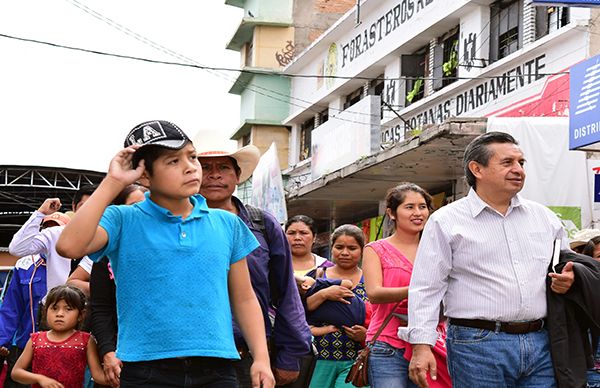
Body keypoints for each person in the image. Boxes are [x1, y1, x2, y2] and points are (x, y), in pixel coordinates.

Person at [56, 120, 274, 387]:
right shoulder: (122, 220)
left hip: (217, 368)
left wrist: (261, 358)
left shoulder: (227, 224)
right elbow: (69, 247)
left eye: (191, 156)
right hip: (145, 370)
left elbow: (244, 298)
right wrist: (113, 182)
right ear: (145, 176)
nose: (190, 167)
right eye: (173, 161)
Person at [406, 131, 575, 388]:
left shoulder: (544, 217)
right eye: (507, 163)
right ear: (477, 169)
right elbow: (427, 287)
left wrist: (568, 279)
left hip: (542, 342)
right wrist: (421, 344)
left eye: (521, 163)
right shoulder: (446, 221)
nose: (518, 169)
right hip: (477, 343)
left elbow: (564, 266)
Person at [197, 141, 312, 387]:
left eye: (223, 167)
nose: (214, 174)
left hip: (248, 353)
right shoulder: (177, 224)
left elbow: (286, 293)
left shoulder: (262, 224)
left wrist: (290, 355)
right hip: (189, 355)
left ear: (238, 175)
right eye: (205, 167)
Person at [362, 183, 450, 388]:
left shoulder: (439, 249)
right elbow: (374, 293)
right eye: (409, 207)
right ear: (392, 213)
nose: (418, 213)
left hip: (432, 343)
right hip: (388, 344)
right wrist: (420, 291)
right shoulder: (376, 249)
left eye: (422, 207)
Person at [0, 212, 71, 388]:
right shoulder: (24, 265)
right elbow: (11, 308)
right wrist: (2, 341)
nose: (50, 235)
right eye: (45, 230)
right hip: (25, 346)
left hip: (63, 347)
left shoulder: (75, 265)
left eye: (56, 230)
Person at [87, 184, 148, 388]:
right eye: (133, 206)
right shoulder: (105, 255)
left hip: (158, 357)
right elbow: (101, 308)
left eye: (147, 205)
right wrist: (108, 351)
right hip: (120, 355)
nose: (142, 212)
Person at [305, 224, 369, 388]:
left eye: (352, 248)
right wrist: (324, 294)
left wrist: (367, 335)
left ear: (362, 250)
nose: (345, 253)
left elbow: (382, 317)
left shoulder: (372, 280)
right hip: (318, 359)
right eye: (339, 247)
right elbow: (299, 310)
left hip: (356, 360)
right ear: (331, 248)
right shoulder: (316, 276)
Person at [11, 284, 108, 387]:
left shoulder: (86, 340)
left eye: (68, 309)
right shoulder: (35, 339)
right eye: (54, 308)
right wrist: (39, 378)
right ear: (45, 311)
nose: (60, 314)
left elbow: (97, 375)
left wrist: (121, 380)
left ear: (81, 315)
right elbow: (16, 372)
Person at [9, 185, 96, 295]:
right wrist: (40, 213)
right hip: (56, 307)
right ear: (74, 207)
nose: (89, 212)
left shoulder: (108, 240)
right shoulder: (54, 234)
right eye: (83, 206)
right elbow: (17, 248)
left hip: (92, 310)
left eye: (95, 207)